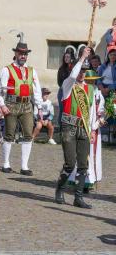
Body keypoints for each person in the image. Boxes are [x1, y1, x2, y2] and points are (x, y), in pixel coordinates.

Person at [55, 47, 102, 209]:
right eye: (81, 69)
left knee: (83, 165)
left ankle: (78, 197)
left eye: (85, 70)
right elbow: (73, 75)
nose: (82, 73)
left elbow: (92, 113)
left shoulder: (91, 90)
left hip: (84, 129)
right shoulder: (68, 85)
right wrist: (82, 58)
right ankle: (60, 189)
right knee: (70, 163)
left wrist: (94, 129)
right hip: (69, 127)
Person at [0, 36, 43, 176]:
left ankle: (24, 166)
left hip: (26, 106)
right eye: (21, 53)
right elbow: (0, 90)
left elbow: (36, 90)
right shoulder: (7, 70)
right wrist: (2, 105)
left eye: (25, 54)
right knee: (9, 134)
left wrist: (40, 107)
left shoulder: (32, 71)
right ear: (16, 54)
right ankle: (6, 163)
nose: (23, 56)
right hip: (11, 104)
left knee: (28, 134)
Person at [68, 69, 104, 192]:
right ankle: (76, 180)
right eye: (88, 80)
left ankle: (88, 181)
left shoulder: (98, 94)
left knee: (90, 155)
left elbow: (100, 112)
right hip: (80, 126)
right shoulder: (77, 89)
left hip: (92, 129)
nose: (90, 83)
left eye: (92, 81)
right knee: (78, 155)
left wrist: (96, 126)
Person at [57, 48, 75, 125]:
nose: (66, 58)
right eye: (65, 57)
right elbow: (59, 82)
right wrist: (64, 87)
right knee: (62, 109)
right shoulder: (61, 69)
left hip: (72, 91)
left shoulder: (73, 68)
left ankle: (68, 125)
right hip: (62, 91)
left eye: (68, 57)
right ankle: (60, 125)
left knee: (70, 109)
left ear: (71, 58)